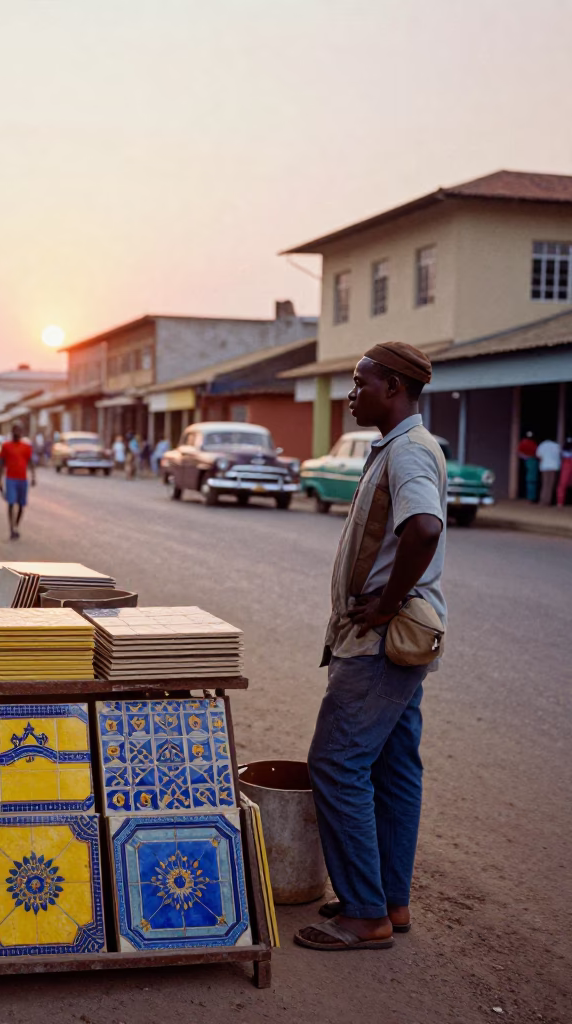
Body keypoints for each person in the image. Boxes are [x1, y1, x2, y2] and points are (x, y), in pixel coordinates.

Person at [297, 341, 446, 953]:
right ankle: (392, 901)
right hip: (395, 640)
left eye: (360, 383)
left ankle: (365, 914)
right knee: (393, 767)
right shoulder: (398, 447)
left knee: (337, 763)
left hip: (383, 642)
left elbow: (425, 528)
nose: (352, 395)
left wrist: (384, 606)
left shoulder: (408, 451)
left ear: (392, 387)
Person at [0, 423, 36, 540]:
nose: (17, 433)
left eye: (19, 431)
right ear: (12, 432)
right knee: (11, 503)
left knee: (21, 504)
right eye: (15, 431)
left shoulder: (26, 447)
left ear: (22, 433)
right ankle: (11, 528)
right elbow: (1, 464)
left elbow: (30, 462)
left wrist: (34, 476)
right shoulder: (6, 446)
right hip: (10, 479)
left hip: (22, 479)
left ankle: (16, 525)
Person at [535, 437, 562, 506]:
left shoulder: (542, 445)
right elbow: (560, 455)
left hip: (545, 466)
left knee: (545, 484)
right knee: (550, 485)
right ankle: (548, 501)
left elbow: (538, 455)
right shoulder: (556, 445)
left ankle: (543, 500)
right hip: (554, 466)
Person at [517, 431, 539, 502]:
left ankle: (531, 497)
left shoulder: (531, 443)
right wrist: (526, 457)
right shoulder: (525, 443)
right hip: (530, 460)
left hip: (530, 460)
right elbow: (519, 453)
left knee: (531, 480)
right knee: (531, 480)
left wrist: (525, 457)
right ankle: (531, 497)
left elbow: (519, 453)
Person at [558, 438, 572, 507]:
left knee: (562, 485)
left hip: (566, 468)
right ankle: (560, 502)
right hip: (566, 468)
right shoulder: (563, 452)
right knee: (562, 485)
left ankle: (560, 502)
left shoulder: (563, 452)